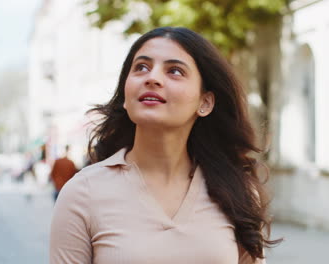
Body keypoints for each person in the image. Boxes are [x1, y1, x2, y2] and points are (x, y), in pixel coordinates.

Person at [50, 27, 281, 264]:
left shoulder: (237, 190)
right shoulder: (82, 193)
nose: (152, 78)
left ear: (205, 102)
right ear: (125, 96)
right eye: (141, 67)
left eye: (175, 71)